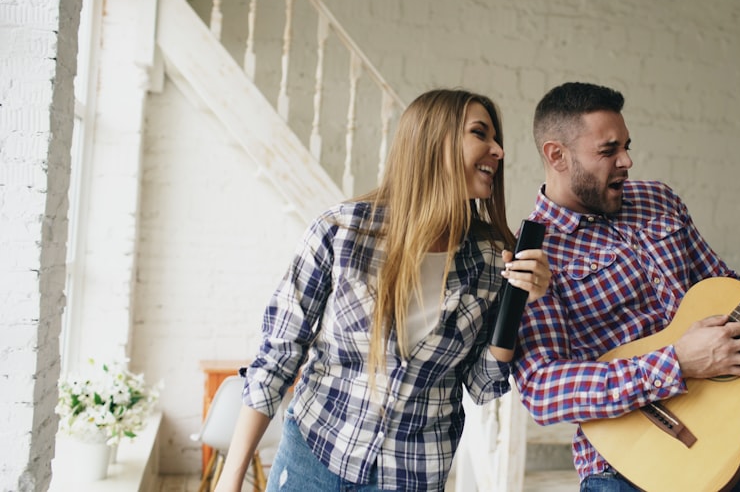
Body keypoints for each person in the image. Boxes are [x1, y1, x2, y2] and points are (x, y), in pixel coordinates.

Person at [213, 88, 551, 492]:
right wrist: (231, 477)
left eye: (497, 140)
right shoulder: (340, 232)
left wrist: (520, 305)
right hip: (313, 459)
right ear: (432, 142)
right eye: (481, 134)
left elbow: (481, 384)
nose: (498, 150)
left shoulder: (493, 261)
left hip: (411, 475)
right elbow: (277, 357)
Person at [511, 82, 740, 492]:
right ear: (557, 155)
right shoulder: (533, 253)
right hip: (626, 468)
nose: (627, 160)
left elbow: (727, 297)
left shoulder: (659, 201)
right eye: (608, 151)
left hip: (731, 457)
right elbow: (543, 390)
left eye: (626, 145)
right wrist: (676, 362)